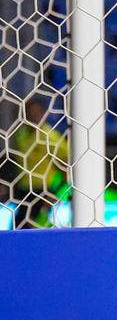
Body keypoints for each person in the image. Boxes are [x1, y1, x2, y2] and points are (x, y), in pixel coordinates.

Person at [12, 98, 70, 229]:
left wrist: (54, 194)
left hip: (43, 191)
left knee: (32, 228)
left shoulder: (50, 137)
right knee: (17, 228)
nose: (34, 116)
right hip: (23, 191)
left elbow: (65, 167)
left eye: (37, 112)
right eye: (30, 113)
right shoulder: (21, 134)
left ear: (44, 113)